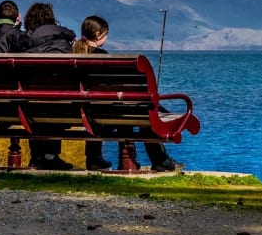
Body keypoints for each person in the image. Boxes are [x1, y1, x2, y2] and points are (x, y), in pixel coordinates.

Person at [73, 14, 183, 173]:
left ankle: (94, 159)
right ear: (98, 35)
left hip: (84, 111)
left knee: (110, 110)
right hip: (107, 111)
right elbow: (114, 85)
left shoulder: (73, 54)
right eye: (106, 34)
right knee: (145, 111)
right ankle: (159, 160)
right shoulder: (101, 56)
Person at [22, 2, 76, 170]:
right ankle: (50, 156)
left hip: (30, 106)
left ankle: (37, 156)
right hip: (63, 106)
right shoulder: (64, 42)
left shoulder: (25, 43)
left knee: (37, 103)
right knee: (54, 101)